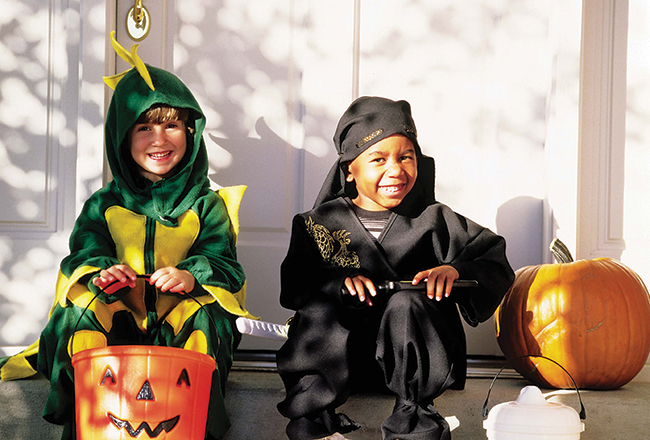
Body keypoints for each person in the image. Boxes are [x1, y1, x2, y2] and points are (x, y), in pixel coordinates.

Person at [0, 34, 255, 440]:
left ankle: (192, 428)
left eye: (172, 125)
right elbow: (83, 252)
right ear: (121, 137)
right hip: (119, 317)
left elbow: (224, 263)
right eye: (143, 128)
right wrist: (103, 272)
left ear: (190, 133)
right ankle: (83, 423)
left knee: (209, 316)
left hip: (175, 320)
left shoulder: (208, 205)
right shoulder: (105, 204)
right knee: (78, 310)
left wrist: (190, 275)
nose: (159, 139)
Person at [276, 96, 515, 440]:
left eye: (406, 157)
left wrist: (456, 271)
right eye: (378, 159)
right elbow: (295, 283)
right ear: (349, 170)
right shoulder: (318, 223)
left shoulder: (434, 220)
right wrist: (338, 283)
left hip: (414, 364)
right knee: (320, 308)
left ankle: (415, 423)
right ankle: (315, 423)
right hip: (345, 364)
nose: (396, 170)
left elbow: (491, 256)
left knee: (408, 303)